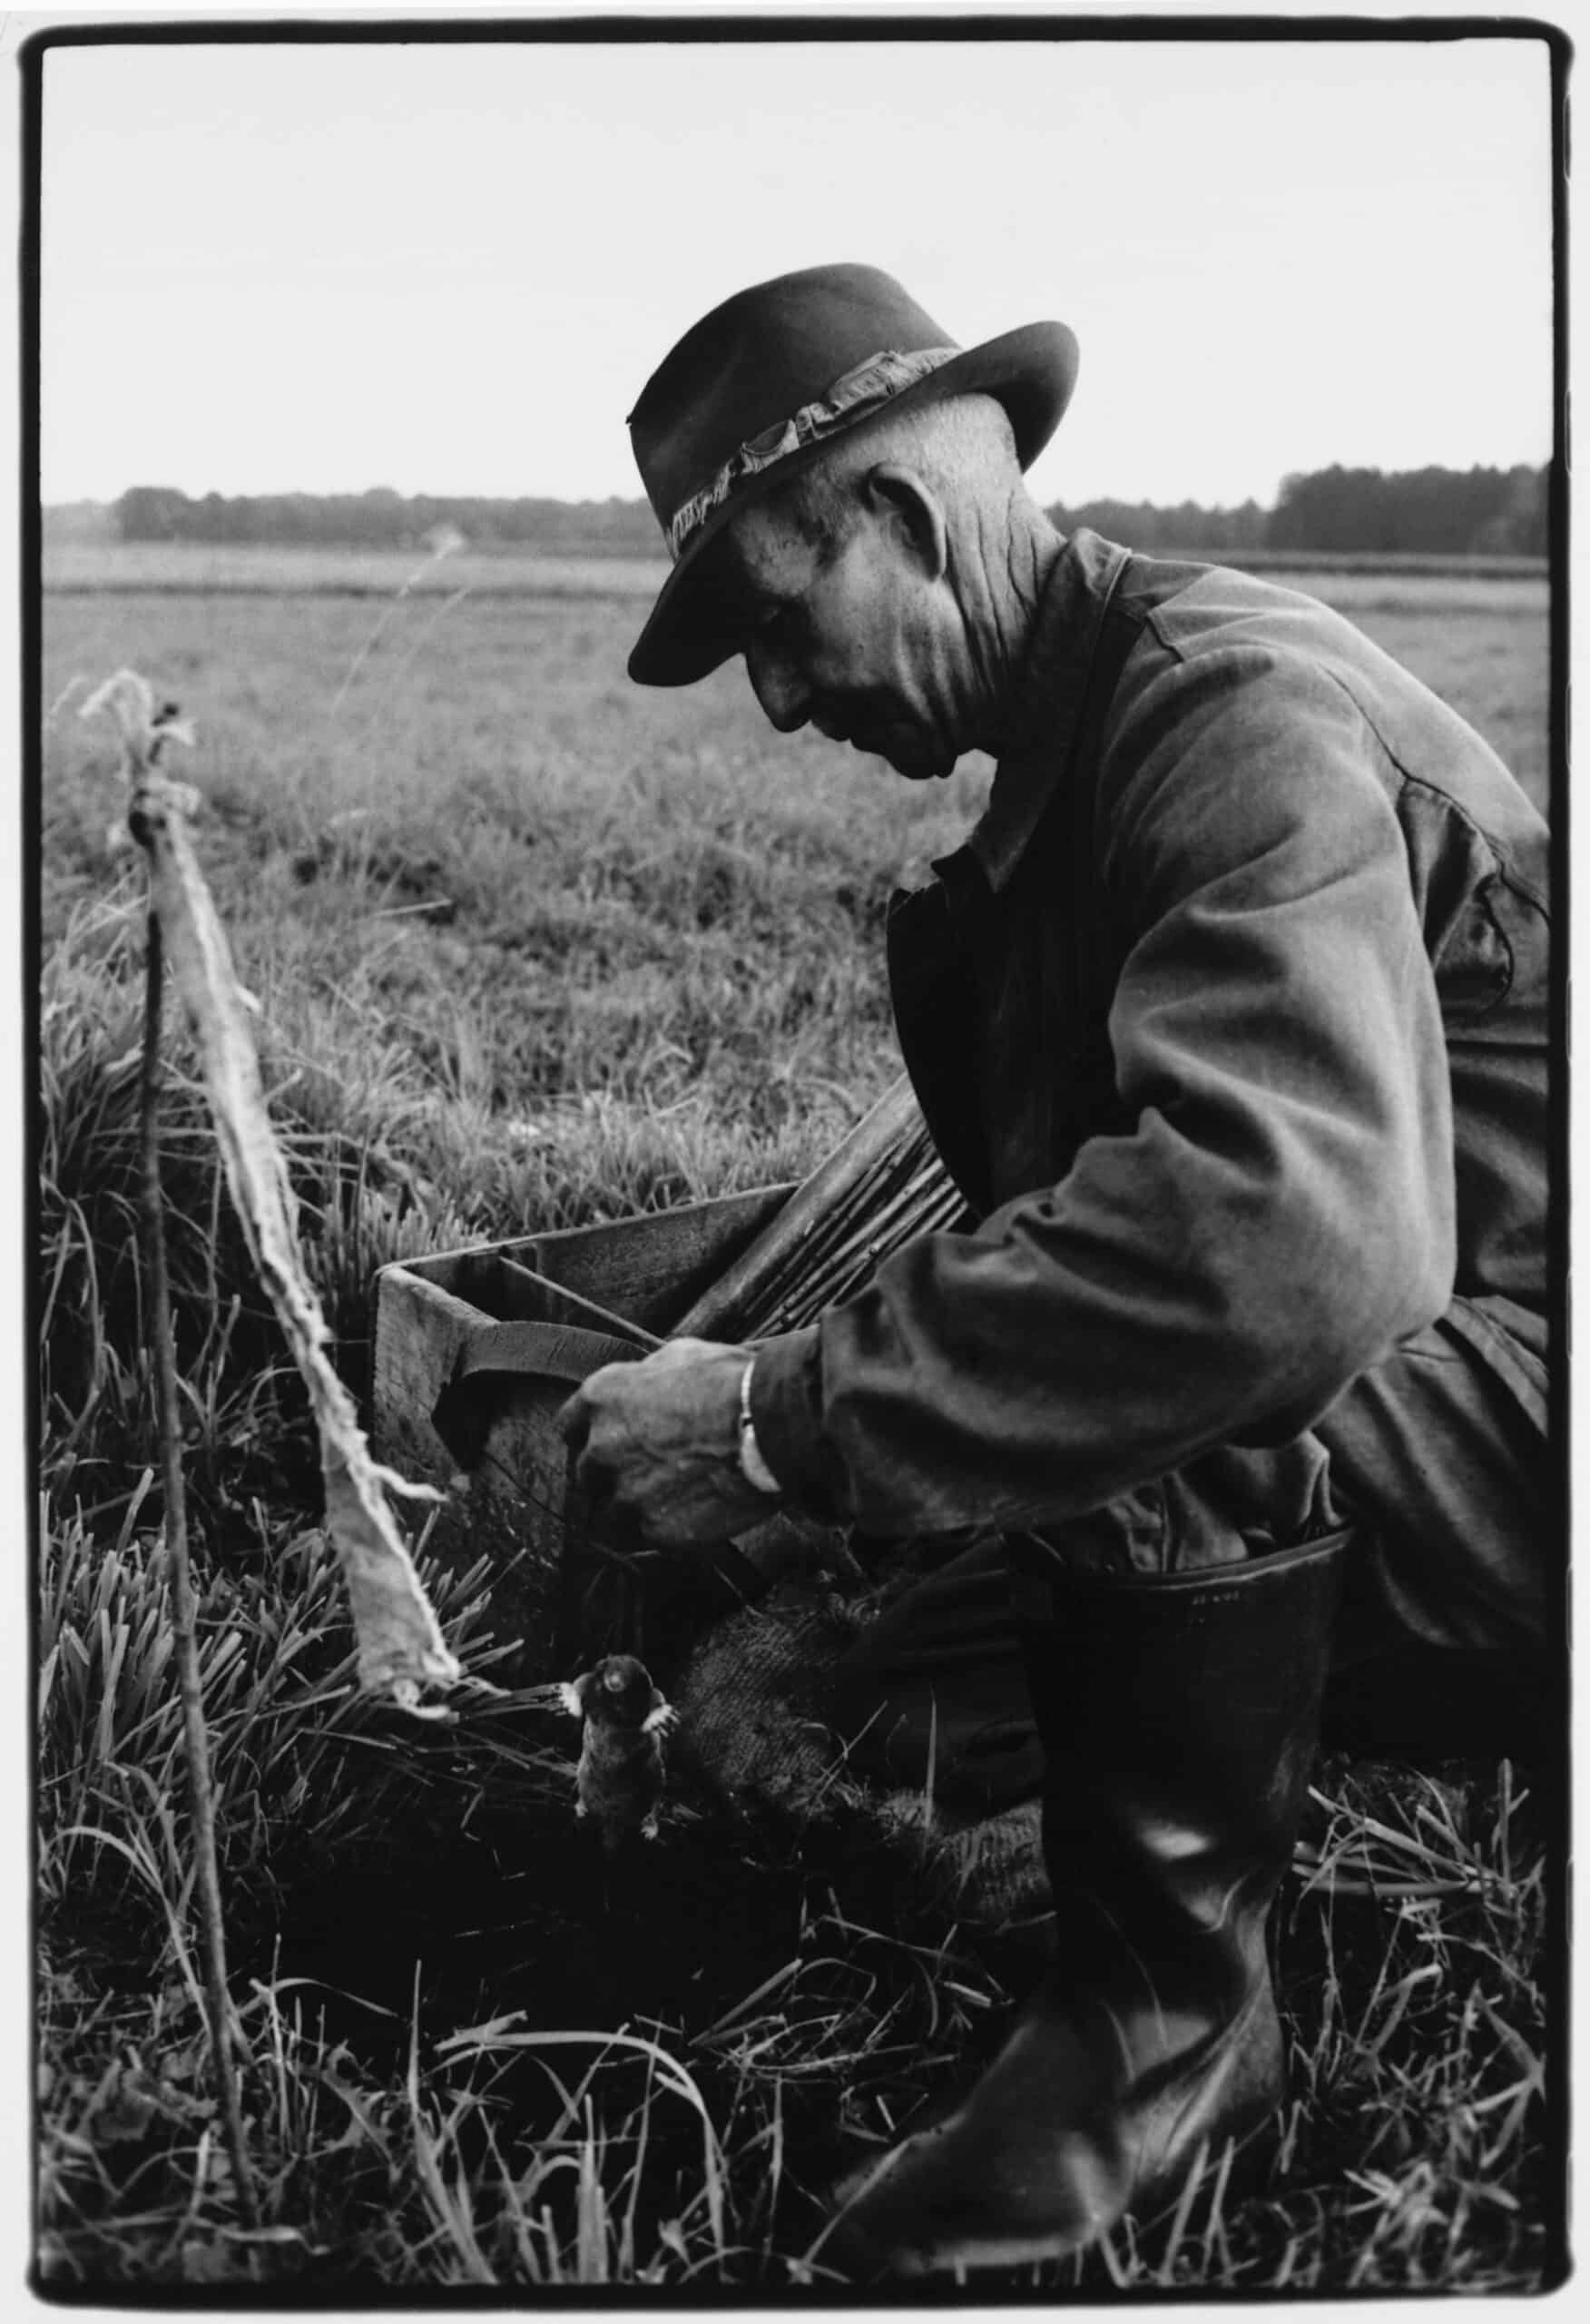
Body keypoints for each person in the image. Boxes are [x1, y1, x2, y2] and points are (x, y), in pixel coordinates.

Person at [557, 263, 1555, 2280]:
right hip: (1422, 1397)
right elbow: (1056, 1227)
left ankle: (1171, 2035)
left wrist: (770, 1420)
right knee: (823, 1690)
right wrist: (803, 1485)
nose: (775, 696)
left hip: (1524, 1395)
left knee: (1163, 1384)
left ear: (909, 525)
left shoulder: (1230, 713)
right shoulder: (1074, 763)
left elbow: (1282, 1242)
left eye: (773, 617)